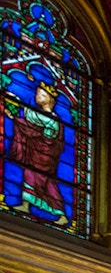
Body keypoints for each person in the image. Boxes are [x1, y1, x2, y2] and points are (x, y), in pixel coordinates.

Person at [9, 73, 67, 225]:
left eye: (40, 93)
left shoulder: (52, 118)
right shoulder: (38, 115)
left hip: (45, 156)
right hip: (36, 153)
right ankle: (26, 205)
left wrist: (20, 109)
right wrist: (15, 115)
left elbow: (38, 130)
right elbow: (31, 127)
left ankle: (61, 214)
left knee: (47, 183)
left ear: (49, 99)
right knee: (29, 175)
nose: (36, 95)